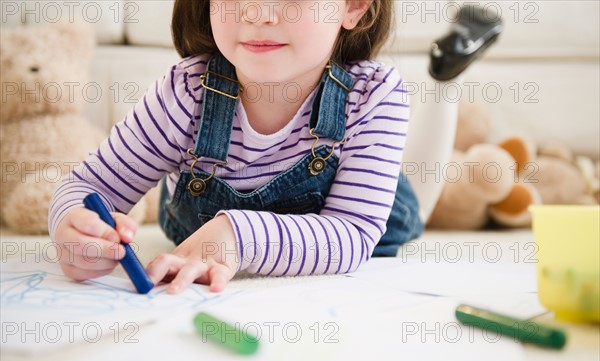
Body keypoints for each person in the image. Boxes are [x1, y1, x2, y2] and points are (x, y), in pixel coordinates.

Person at [48, 0, 423, 294]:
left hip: (361, 206)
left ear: (355, 5)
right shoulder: (184, 93)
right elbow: (86, 188)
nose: (256, 12)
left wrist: (238, 236)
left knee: (410, 209)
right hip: (203, 215)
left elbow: (353, 233)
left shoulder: (375, 94)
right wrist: (74, 230)